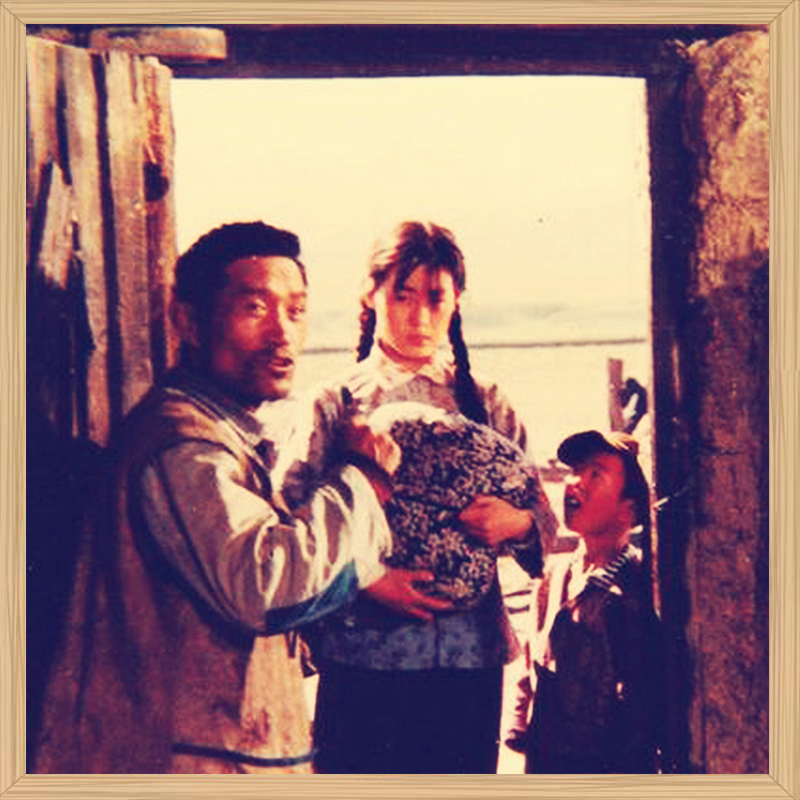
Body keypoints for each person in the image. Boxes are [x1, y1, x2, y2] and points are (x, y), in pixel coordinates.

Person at [32, 221, 410, 774]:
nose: (283, 333)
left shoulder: (223, 435)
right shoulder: (182, 446)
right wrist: (362, 476)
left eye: (297, 311)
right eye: (255, 308)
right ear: (188, 321)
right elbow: (266, 588)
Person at [279, 221, 558, 774]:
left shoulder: (487, 403)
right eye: (402, 296)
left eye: (436, 298)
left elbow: (545, 520)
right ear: (370, 295)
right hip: (363, 658)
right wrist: (367, 580)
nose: (420, 316)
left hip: (469, 663)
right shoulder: (333, 404)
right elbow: (288, 528)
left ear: (458, 302)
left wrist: (515, 524)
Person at [505, 430, 664, 773]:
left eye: (596, 474)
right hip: (545, 756)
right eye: (575, 471)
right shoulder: (555, 573)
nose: (575, 483)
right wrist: (518, 723)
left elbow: (643, 697)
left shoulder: (636, 587)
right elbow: (533, 656)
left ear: (628, 510)